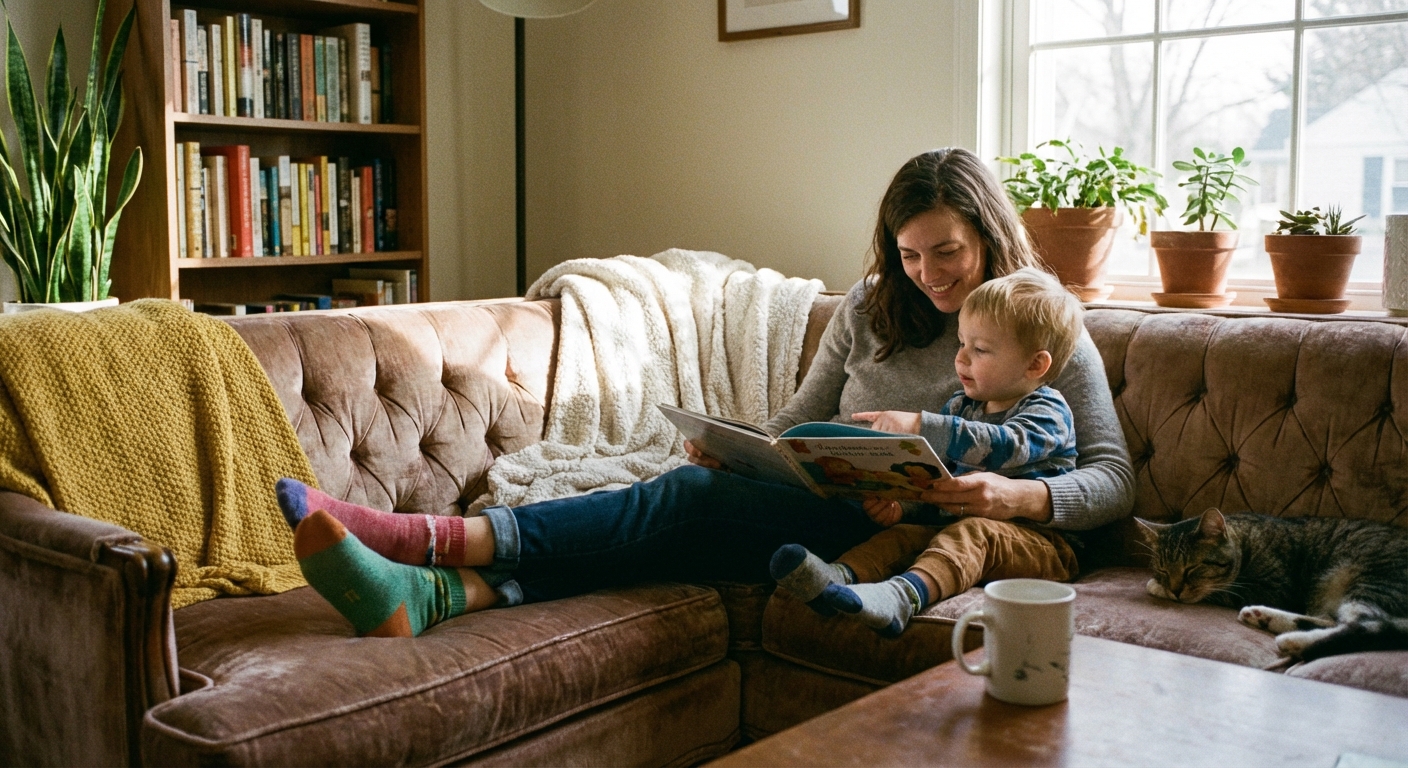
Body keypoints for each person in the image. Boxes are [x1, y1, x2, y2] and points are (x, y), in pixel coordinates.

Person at [276, 147, 1135, 638]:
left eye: (946, 252)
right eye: (910, 254)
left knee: (683, 504)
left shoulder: (1036, 330)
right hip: (835, 502)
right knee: (693, 502)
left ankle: (423, 542)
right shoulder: (873, 307)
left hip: (918, 530)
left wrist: (1015, 493)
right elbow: (800, 421)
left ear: (986, 234)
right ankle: (437, 596)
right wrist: (742, 446)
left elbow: (1110, 477)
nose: (928, 275)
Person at [769, 266, 1085, 637]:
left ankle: (903, 596)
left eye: (979, 349)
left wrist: (923, 425)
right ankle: (837, 580)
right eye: (961, 344)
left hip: (1046, 545)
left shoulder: (1047, 410)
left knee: (973, 534)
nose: (962, 359)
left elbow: (1005, 447)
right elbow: (941, 478)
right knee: (904, 534)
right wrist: (905, 504)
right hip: (959, 525)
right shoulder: (962, 406)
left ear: (1036, 364)